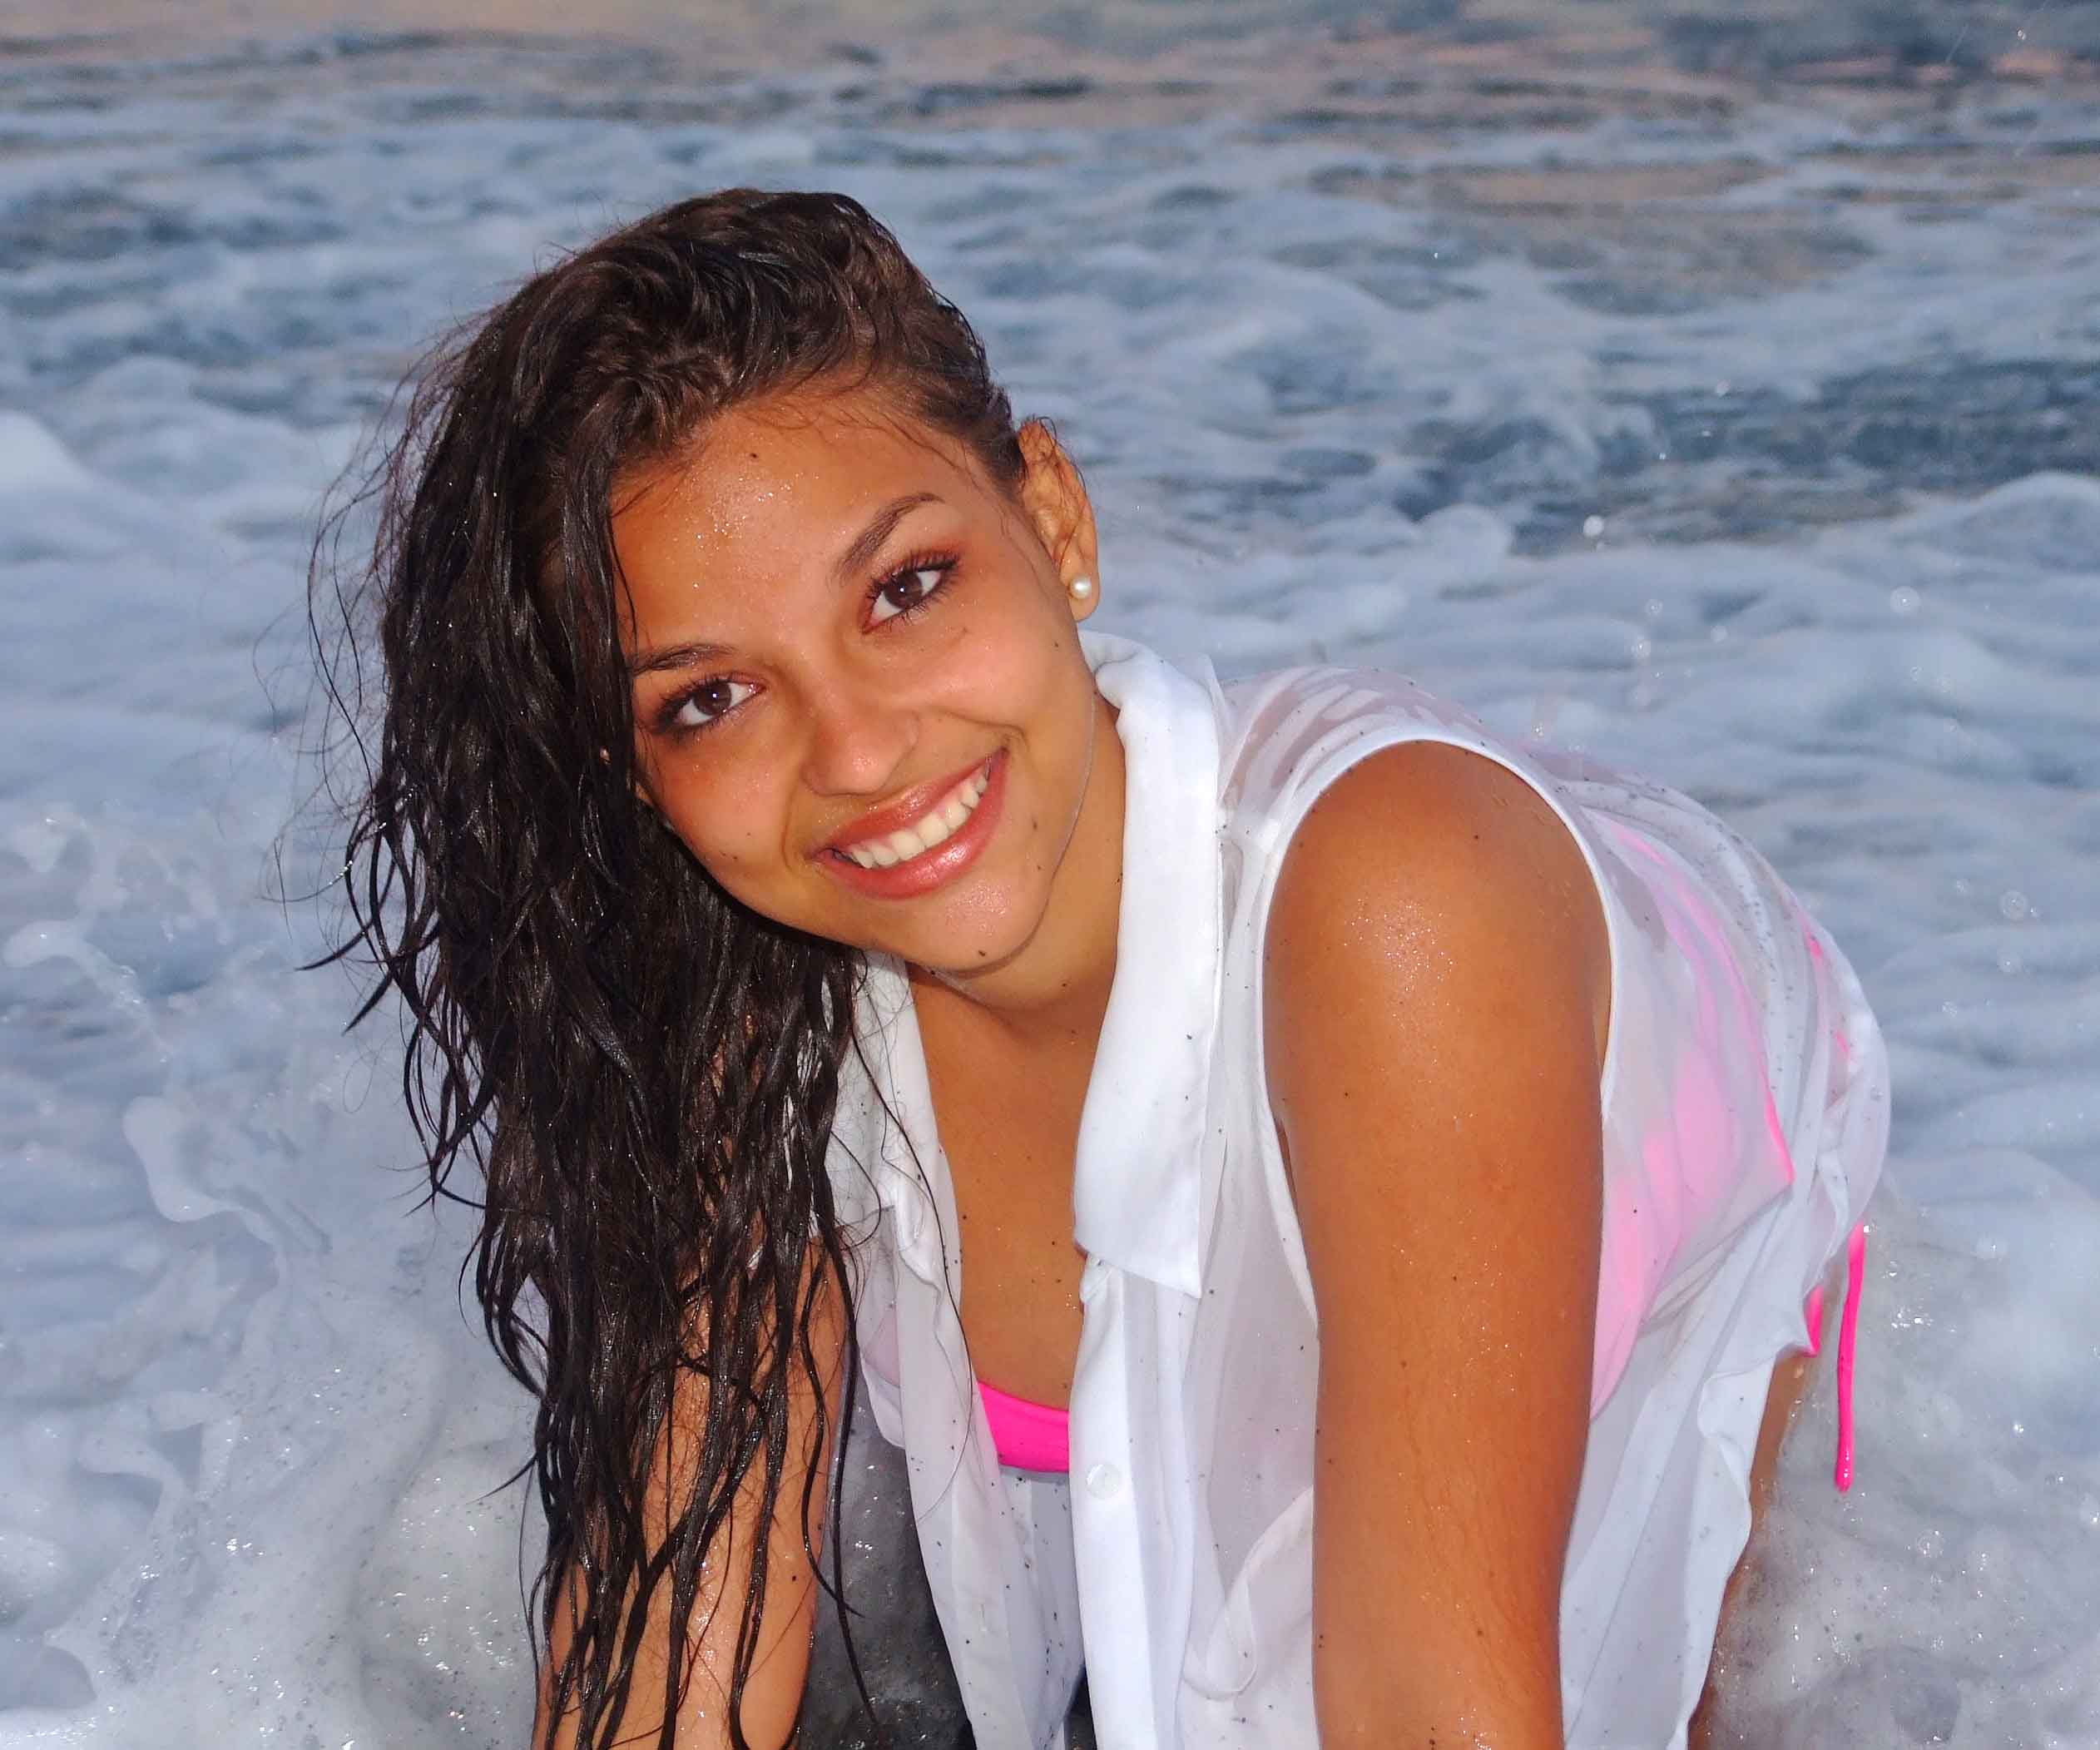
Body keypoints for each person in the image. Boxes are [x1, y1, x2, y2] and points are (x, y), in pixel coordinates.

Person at [317, 186, 1888, 1750]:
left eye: (905, 590)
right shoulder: (742, 1019)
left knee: (1624, 1672)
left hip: (1626, 1054)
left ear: (1055, 524)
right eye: (711, 700)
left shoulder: (1408, 921)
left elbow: (1432, 1716)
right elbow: (665, 1676)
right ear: (636, 772)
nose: (857, 753)